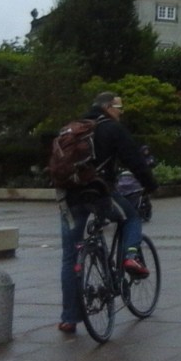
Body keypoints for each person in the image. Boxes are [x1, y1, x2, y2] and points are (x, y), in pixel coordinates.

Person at [57, 92, 157, 334]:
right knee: (131, 217)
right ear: (107, 107)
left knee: (70, 256)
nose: (121, 112)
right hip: (99, 194)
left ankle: (69, 318)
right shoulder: (112, 129)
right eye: (119, 107)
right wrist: (151, 185)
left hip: (68, 196)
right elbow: (135, 161)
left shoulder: (70, 130)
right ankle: (130, 256)